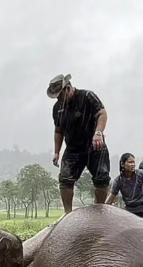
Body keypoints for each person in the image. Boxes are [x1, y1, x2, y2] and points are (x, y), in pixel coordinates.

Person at [47, 73, 110, 214]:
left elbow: (102, 113)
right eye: (57, 97)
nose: (59, 99)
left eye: (60, 96)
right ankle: (67, 214)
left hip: (94, 143)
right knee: (65, 178)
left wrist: (98, 133)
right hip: (73, 147)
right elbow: (58, 131)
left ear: (68, 89)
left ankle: (100, 210)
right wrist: (57, 151)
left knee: (101, 177)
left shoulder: (87, 96)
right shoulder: (57, 108)